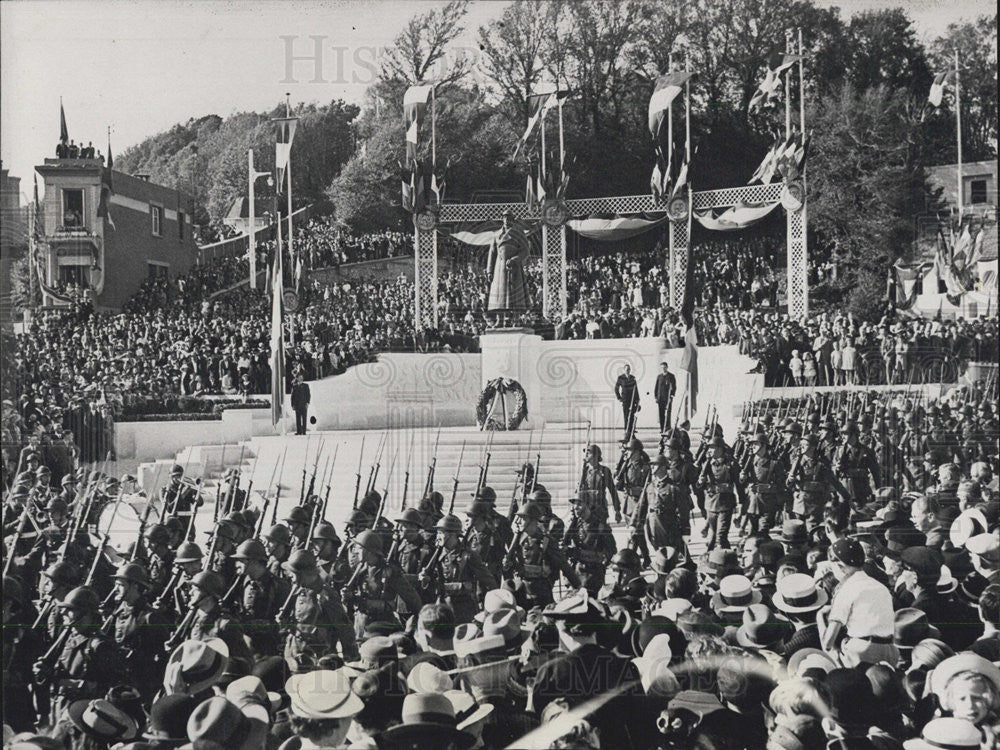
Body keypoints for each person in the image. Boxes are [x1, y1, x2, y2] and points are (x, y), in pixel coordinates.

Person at [615, 364, 640, 440]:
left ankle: (631, 433)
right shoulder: (621, 378)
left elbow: (636, 389)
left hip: (632, 400)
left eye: (629, 369)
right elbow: (616, 388)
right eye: (626, 369)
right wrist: (619, 397)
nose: (628, 371)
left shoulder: (633, 378)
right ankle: (627, 432)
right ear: (624, 370)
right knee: (626, 416)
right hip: (625, 400)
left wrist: (638, 400)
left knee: (632, 416)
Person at [654, 362, 676, 433]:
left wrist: (672, 395)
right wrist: (656, 397)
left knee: (668, 413)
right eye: (662, 368)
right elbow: (656, 387)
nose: (663, 369)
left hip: (668, 398)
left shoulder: (671, 376)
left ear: (667, 367)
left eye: (664, 367)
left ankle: (668, 428)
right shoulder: (659, 377)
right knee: (661, 414)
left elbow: (674, 387)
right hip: (660, 399)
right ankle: (662, 428)